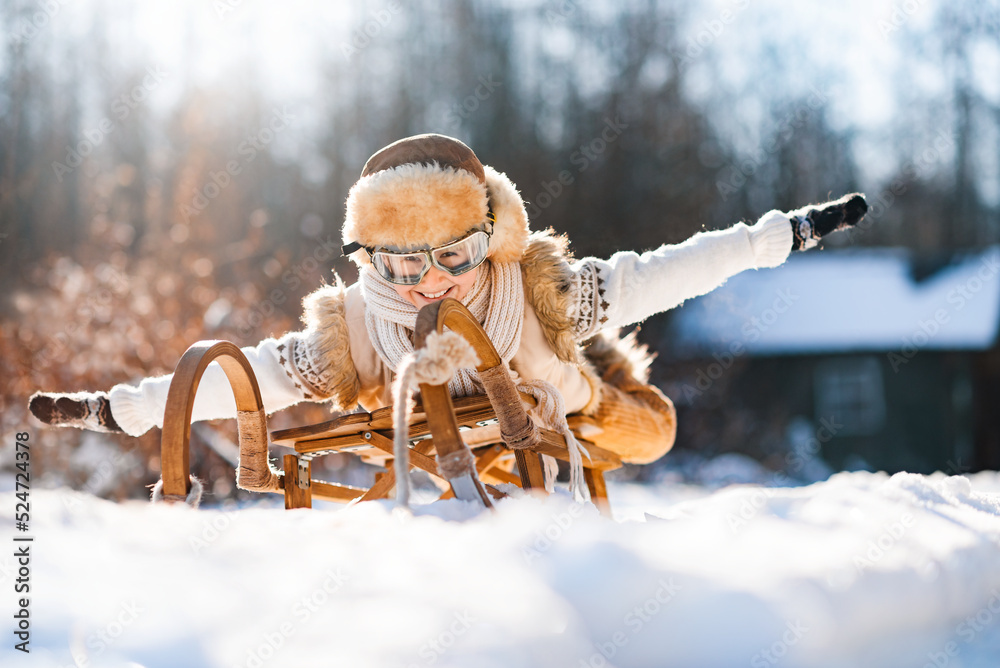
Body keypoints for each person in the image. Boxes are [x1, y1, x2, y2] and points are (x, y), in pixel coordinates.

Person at [29, 133, 866, 490]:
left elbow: (668, 271)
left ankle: (596, 404)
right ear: (369, 257)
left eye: (452, 257)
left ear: (486, 234)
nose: (430, 282)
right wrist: (119, 408)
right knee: (455, 448)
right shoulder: (355, 325)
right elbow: (254, 376)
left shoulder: (538, 289)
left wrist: (782, 235)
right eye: (400, 263)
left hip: (566, 402)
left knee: (655, 432)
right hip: (454, 442)